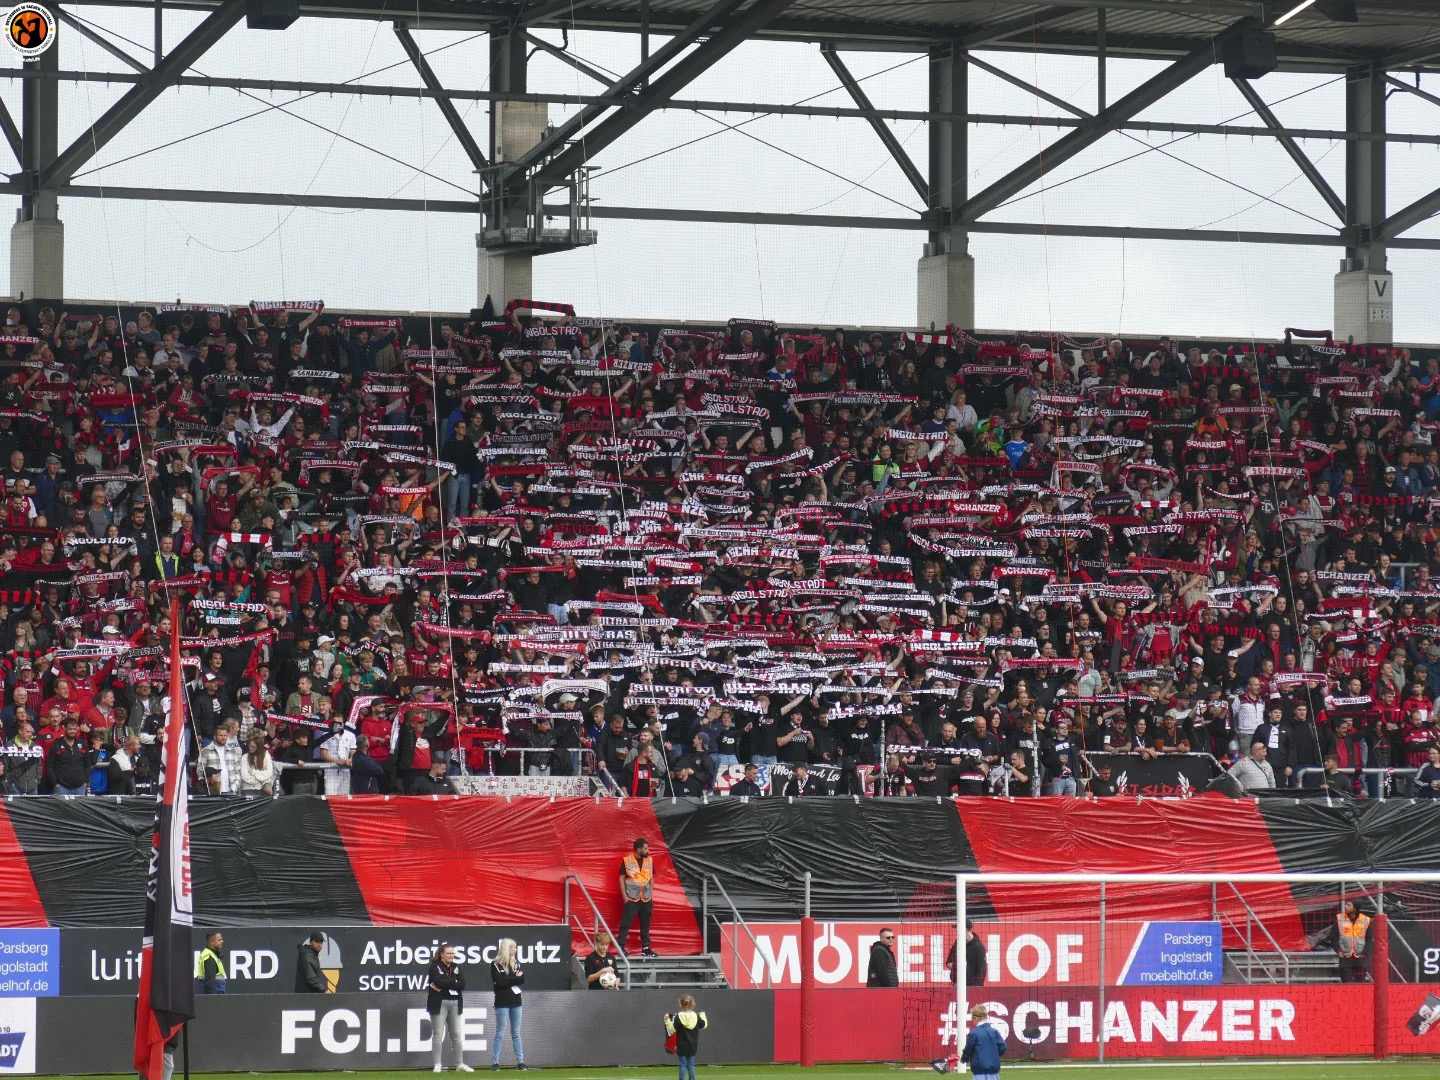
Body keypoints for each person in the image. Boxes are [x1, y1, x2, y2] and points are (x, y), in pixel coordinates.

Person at [426, 942, 472, 1072]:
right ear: (442, 954)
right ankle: (437, 1064)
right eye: (449, 953)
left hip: (455, 1002)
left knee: (456, 1034)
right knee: (438, 1034)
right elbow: (438, 981)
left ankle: (460, 1064)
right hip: (439, 1003)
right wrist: (453, 982)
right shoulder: (434, 967)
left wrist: (446, 984)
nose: (451, 955)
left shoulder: (456, 967)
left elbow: (462, 984)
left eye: (453, 953)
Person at [490, 937, 526, 1070]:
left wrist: (510, 979)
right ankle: (495, 1062)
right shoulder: (495, 964)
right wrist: (514, 978)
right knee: (500, 1032)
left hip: (516, 1001)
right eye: (514, 947)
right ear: (507, 948)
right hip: (502, 1002)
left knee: (516, 1032)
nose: (516, 950)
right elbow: (499, 982)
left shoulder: (516, 963)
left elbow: (521, 979)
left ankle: (520, 1062)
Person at [618, 837, 657, 958]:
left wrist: (651, 894)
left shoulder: (649, 861)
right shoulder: (627, 860)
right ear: (638, 849)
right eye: (645, 849)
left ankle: (646, 948)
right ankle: (621, 947)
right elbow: (621, 878)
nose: (648, 851)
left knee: (646, 924)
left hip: (646, 898)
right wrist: (624, 896)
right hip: (632, 898)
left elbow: (651, 878)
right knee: (625, 923)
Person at [663, 994, 708, 1080]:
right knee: (691, 1064)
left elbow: (672, 1029)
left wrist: (667, 1020)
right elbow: (704, 1025)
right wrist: (702, 1015)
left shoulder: (679, 1016)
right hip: (693, 1045)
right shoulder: (696, 1016)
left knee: (682, 1064)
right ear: (692, 1004)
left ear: (680, 1004)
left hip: (681, 1045)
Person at [960, 1004, 1007, 1080]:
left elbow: (968, 1050)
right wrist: (994, 1056)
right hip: (994, 1071)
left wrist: (963, 1059)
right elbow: (1003, 1047)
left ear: (974, 1018)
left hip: (979, 1071)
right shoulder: (994, 1032)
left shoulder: (974, 1033)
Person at [1334, 900, 1372, 983]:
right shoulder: (1339, 919)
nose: (1346, 907)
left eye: (1349, 905)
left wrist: (1364, 953)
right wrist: (1339, 951)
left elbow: (1369, 938)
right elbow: (1333, 937)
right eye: (1346, 904)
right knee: (1347, 984)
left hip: (1359, 958)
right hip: (1345, 957)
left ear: (1355, 908)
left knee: (1360, 985)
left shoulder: (1366, 920)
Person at [945, 920, 986, 986]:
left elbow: (982, 970)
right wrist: (949, 963)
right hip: (957, 984)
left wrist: (976, 988)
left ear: (965, 930)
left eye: (957, 930)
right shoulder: (957, 942)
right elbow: (950, 957)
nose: (956, 932)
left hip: (971, 986)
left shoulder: (978, 947)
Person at [195, 930, 227, 994]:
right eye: (219, 940)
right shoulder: (210, 957)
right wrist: (211, 999)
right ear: (212, 942)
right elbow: (210, 981)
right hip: (215, 996)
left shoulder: (210, 954)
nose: (222, 941)